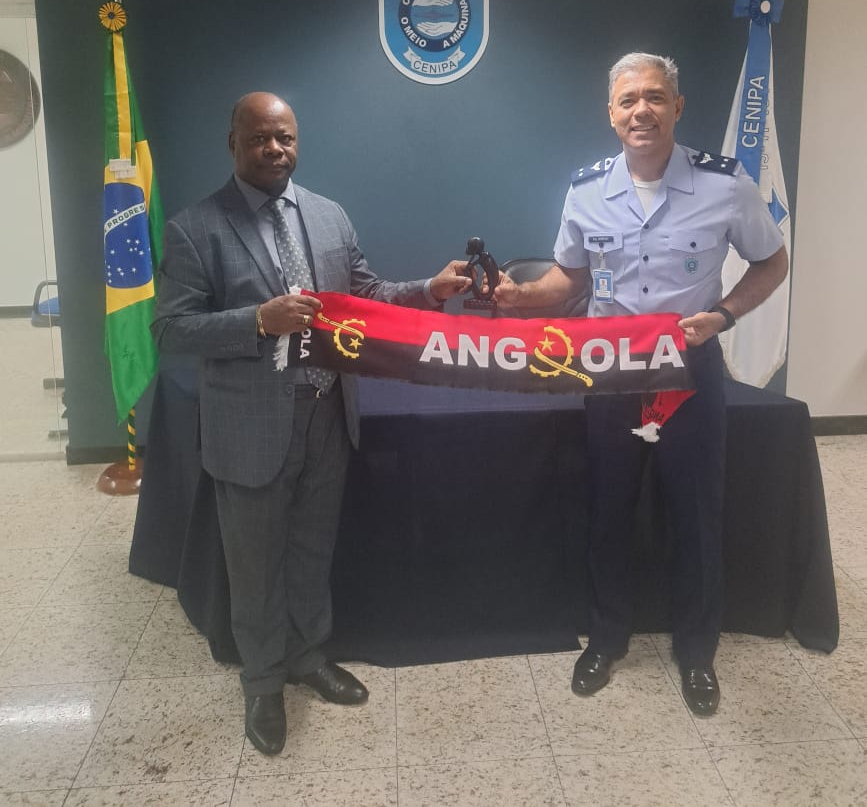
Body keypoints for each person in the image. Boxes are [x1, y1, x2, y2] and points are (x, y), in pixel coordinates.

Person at [151, 91, 471, 755]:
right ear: (233, 143)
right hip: (250, 426)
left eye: (286, 138)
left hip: (328, 411)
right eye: (260, 138)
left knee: (310, 548)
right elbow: (170, 330)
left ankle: (306, 656)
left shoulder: (327, 216)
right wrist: (255, 321)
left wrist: (427, 290)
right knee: (254, 564)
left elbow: (366, 294)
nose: (275, 149)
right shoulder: (195, 228)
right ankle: (263, 683)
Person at [492, 52, 788, 716]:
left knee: (695, 513)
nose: (641, 111)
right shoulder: (585, 189)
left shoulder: (724, 184)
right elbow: (569, 279)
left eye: (654, 97)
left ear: (677, 107)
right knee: (608, 509)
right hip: (612, 375)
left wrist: (723, 315)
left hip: (689, 371)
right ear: (610, 114)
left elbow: (772, 261)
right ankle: (606, 639)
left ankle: (696, 652)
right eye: (627, 101)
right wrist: (520, 298)